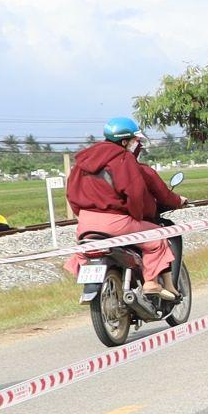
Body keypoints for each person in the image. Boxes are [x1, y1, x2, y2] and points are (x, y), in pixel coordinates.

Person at [63, 117, 187, 298]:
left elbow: (71, 194)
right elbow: (134, 192)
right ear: (124, 141)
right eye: (135, 141)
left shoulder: (82, 161)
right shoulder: (122, 158)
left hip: (85, 223)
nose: (136, 145)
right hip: (117, 223)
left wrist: (82, 215)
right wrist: (138, 214)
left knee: (86, 250)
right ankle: (151, 282)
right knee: (157, 238)